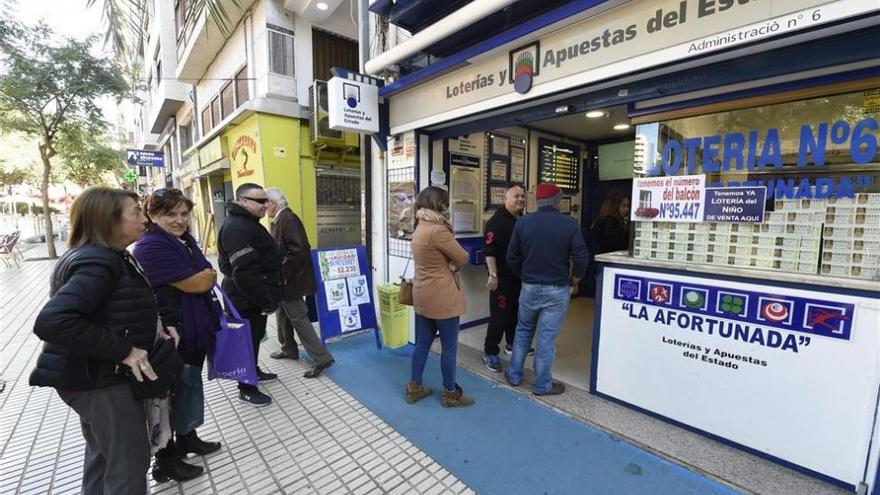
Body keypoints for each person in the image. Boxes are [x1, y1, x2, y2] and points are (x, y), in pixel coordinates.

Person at [29, 187, 160, 494]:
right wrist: (124, 350)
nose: (144, 218)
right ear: (107, 221)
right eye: (135, 212)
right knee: (127, 464)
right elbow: (53, 321)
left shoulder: (103, 256)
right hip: (101, 382)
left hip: (92, 378)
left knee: (103, 459)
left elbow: (113, 311)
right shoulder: (98, 262)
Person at [133, 188, 222, 482]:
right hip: (172, 333)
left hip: (193, 329)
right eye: (170, 214)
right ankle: (165, 461)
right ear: (152, 215)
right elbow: (200, 282)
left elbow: (208, 271)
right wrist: (202, 277)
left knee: (188, 388)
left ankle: (188, 437)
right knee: (167, 399)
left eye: (184, 213)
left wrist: (203, 276)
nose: (179, 220)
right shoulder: (150, 247)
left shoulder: (183, 240)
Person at [505, 183, 589, 396]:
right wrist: (575, 278)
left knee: (523, 330)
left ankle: (514, 374)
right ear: (558, 201)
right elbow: (581, 256)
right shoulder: (569, 224)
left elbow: (511, 257)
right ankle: (542, 385)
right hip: (556, 289)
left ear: (538, 201)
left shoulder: (523, 222)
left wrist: (524, 275)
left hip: (530, 287)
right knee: (546, 337)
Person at [407, 186, 474, 407]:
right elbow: (463, 258)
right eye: (445, 203)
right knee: (449, 347)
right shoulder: (438, 231)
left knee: (423, 343)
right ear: (439, 205)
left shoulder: (419, 227)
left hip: (422, 294)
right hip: (443, 298)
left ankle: (414, 386)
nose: (448, 207)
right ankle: (450, 393)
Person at [217, 183, 282, 407]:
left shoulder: (248, 223)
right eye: (260, 201)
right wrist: (265, 301)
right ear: (243, 201)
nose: (266, 205)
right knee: (245, 342)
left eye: (267, 200)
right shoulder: (238, 228)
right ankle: (246, 388)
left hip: (252, 298)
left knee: (253, 339)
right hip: (246, 299)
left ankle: (253, 371)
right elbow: (244, 272)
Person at [264, 188, 336, 378]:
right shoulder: (280, 220)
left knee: (299, 319)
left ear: (274, 203)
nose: (264, 207)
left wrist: (283, 273)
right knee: (282, 315)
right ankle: (288, 348)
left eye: (266, 203)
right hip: (285, 280)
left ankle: (322, 359)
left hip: (291, 281)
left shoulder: (288, 219)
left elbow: (300, 250)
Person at [481, 184, 526, 373]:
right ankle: (490, 351)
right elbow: (489, 252)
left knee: (515, 314)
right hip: (502, 279)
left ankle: (511, 344)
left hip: (518, 278)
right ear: (505, 199)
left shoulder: (522, 221)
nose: (520, 199)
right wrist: (493, 275)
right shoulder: (496, 222)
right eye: (516, 196)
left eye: (523, 196)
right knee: (499, 317)